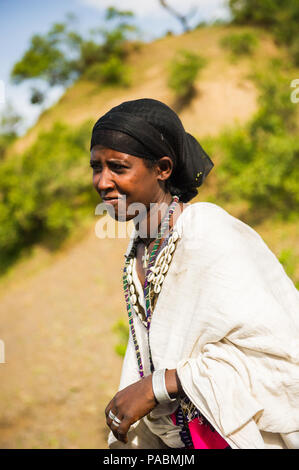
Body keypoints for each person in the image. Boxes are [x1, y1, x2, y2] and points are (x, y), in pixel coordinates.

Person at [90, 98, 299, 449]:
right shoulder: (139, 249)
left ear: (163, 168)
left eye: (118, 167)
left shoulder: (206, 231)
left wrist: (159, 386)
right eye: (96, 167)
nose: (102, 181)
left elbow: (283, 355)